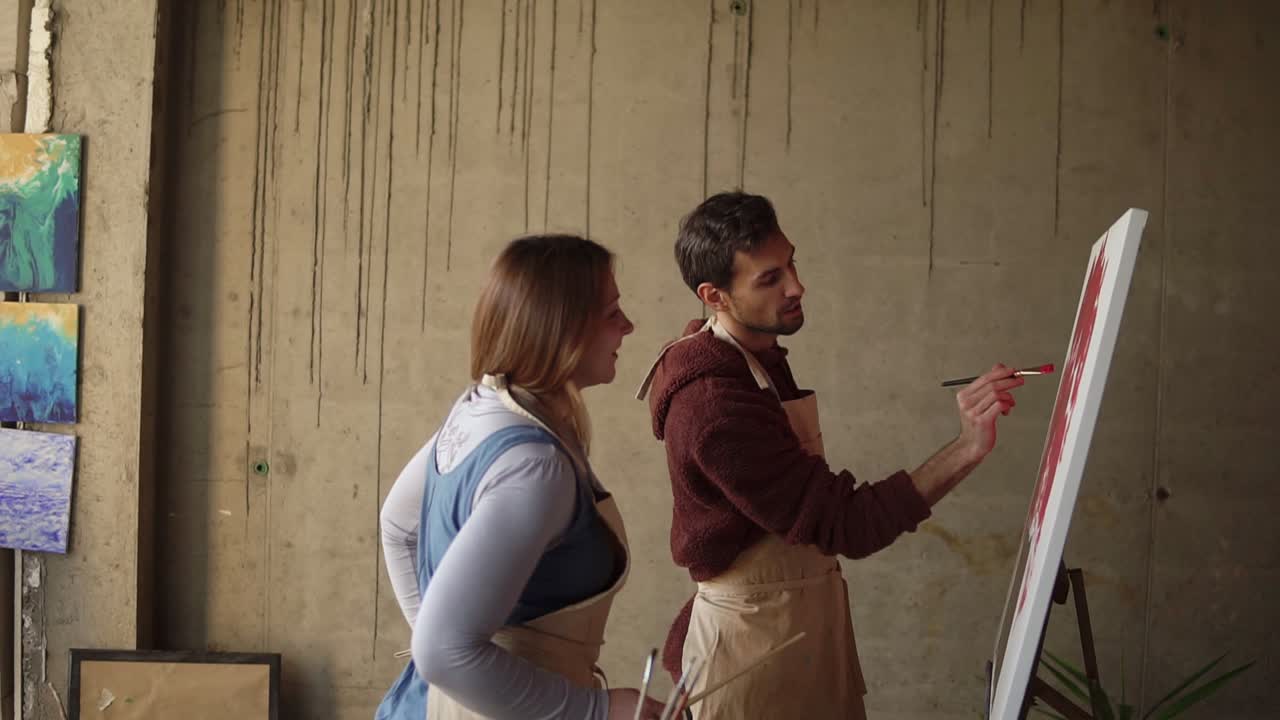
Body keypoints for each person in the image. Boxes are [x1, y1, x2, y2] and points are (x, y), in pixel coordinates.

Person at [636, 192, 1023, 719]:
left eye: (791, 263)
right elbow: (847, 524)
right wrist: (967, 448)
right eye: (769, 279)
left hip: (797, 629)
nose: (797, 286)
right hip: (752, 658)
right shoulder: (715, 405)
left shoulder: (751, 355)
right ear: (715, 296)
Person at [378, 234, 662, 719]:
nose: (628, 327)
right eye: (612, 313)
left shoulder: (479, 409)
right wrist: (597, 710)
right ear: (562, 330)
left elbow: (397, 524)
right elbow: (442, 651)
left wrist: (451, 666)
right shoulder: (535, 466)